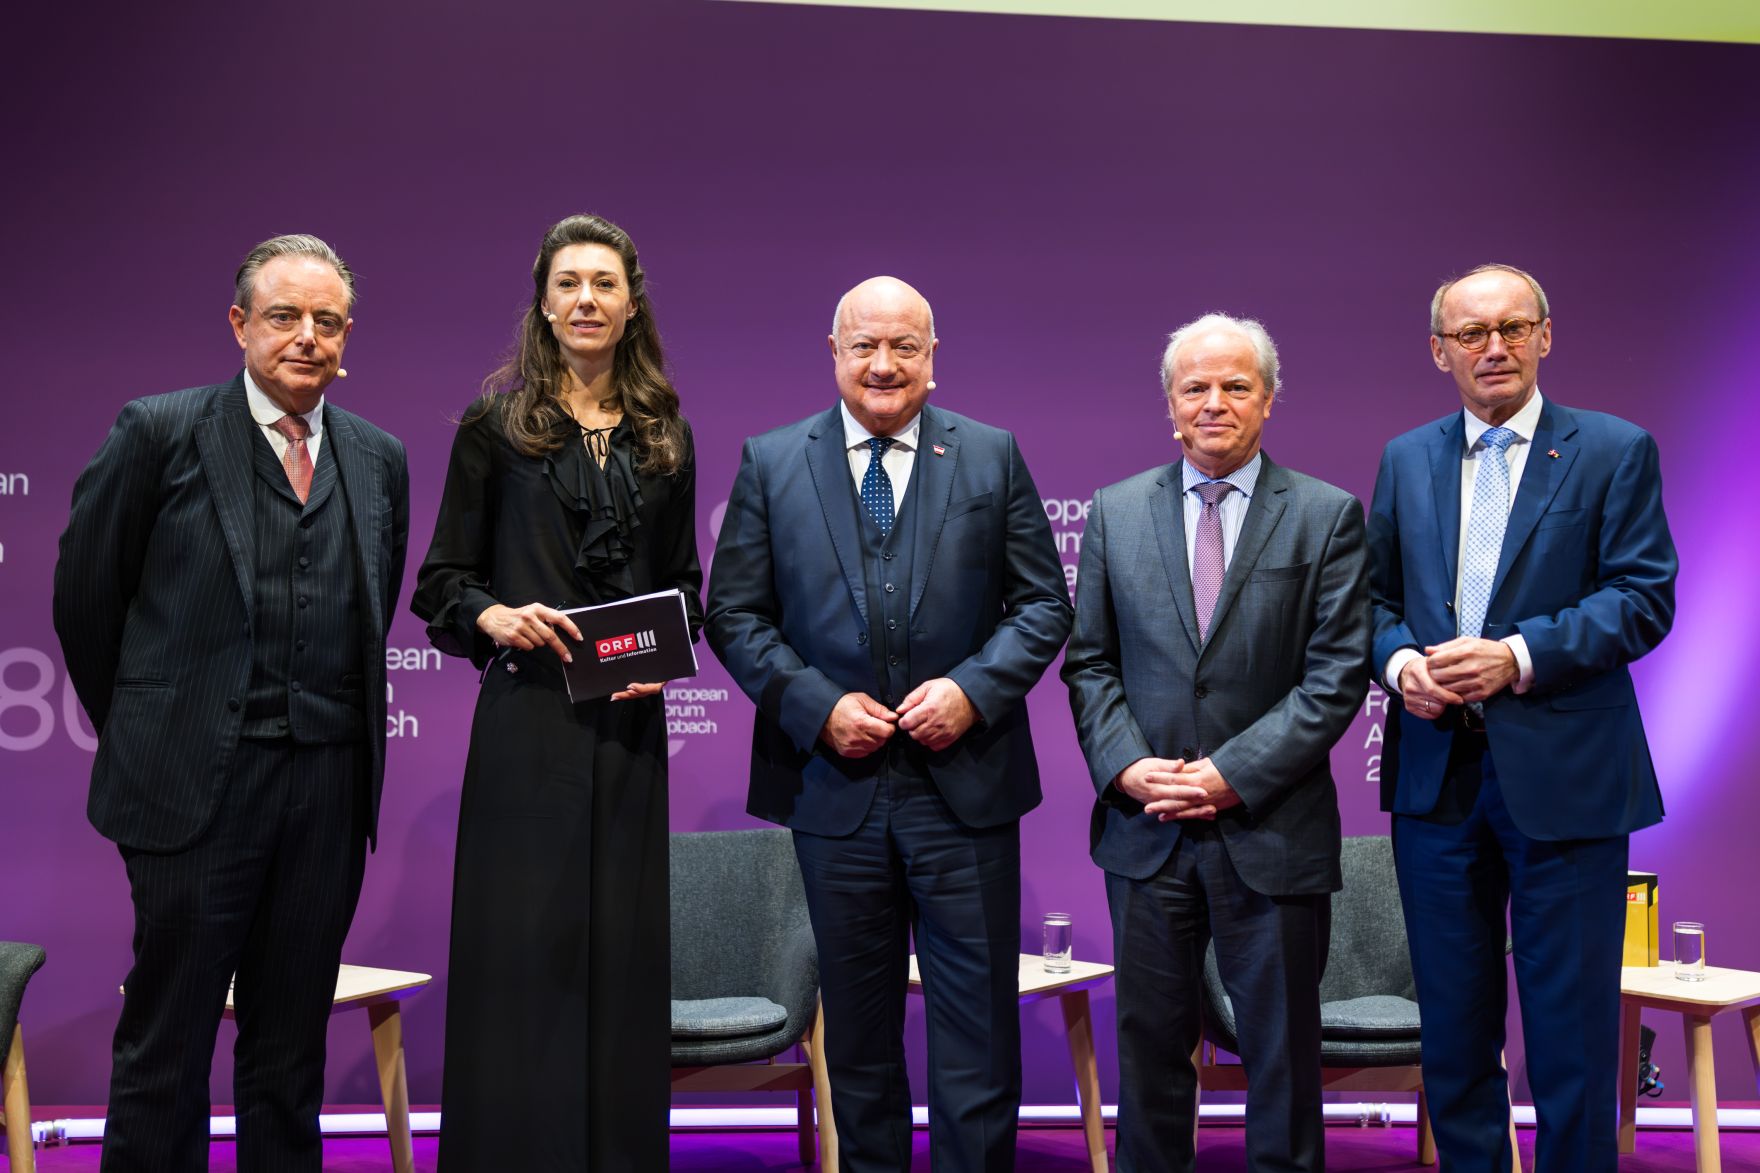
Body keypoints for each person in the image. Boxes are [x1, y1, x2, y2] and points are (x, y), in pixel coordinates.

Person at [53, 234, 409, 1171]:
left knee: (290, 1046)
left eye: (326, 321)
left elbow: (373, 605)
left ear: (347, 335)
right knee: (169, 1042)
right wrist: (150, 725)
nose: (306, 337)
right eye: (284, 316)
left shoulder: (379, 459)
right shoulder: (158, 430)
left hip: (328, 793)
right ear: (240, 323)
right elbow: (87, 599)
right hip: (192, 794)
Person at [705, 276, 1071, 1173]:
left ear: (933, 358)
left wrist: (973, 691)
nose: (883, 363)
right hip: (836, 795)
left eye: (904, 345)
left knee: (978, 1033)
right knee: (860, 1039)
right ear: (833, 352)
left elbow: (1041, 606)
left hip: (966, 791)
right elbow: (735, 616)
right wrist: (816, 706)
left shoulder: (990, 456)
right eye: (864, 344)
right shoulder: (771, 460)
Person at [1369, 263, 1677, 1169]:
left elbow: (1643, 596)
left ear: (1546, 335)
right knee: (1455, 1031)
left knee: (1572, 1034)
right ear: (1439, 351)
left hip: (1568, 777)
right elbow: (1373, 600)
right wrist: (1398, 664)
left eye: (1512, 327)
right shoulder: (1405, 457)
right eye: (1471, 333)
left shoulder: (1614, 448)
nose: (1493, 347)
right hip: (1436, 775)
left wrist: (1517, 656)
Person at [410, 213, 699, 1170]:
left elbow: (688, 587)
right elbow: (443, 582)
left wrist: (670, 646)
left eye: (605, 284)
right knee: (524, 956)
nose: (587, 299)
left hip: (628, 732)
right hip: (527, 727)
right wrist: (493, 617)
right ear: (544, 300)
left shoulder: (667, 435)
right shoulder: (493, 427)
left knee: (617, 959)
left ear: (630, 301)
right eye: (569, 282)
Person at [1062, 314, 1369, 1172]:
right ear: (1170, 404)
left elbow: (1336, 677)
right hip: (1147, 828)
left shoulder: (1325, 515)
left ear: (1268, 399)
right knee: (1150, 1055)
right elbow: (1089, 663)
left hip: (1271, 830)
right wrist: (1125, 765)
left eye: (1236, 385)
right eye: (1195, 386)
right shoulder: (1118, 513)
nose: (1214, 402)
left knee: (1280, 1056)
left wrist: (1230, 774)